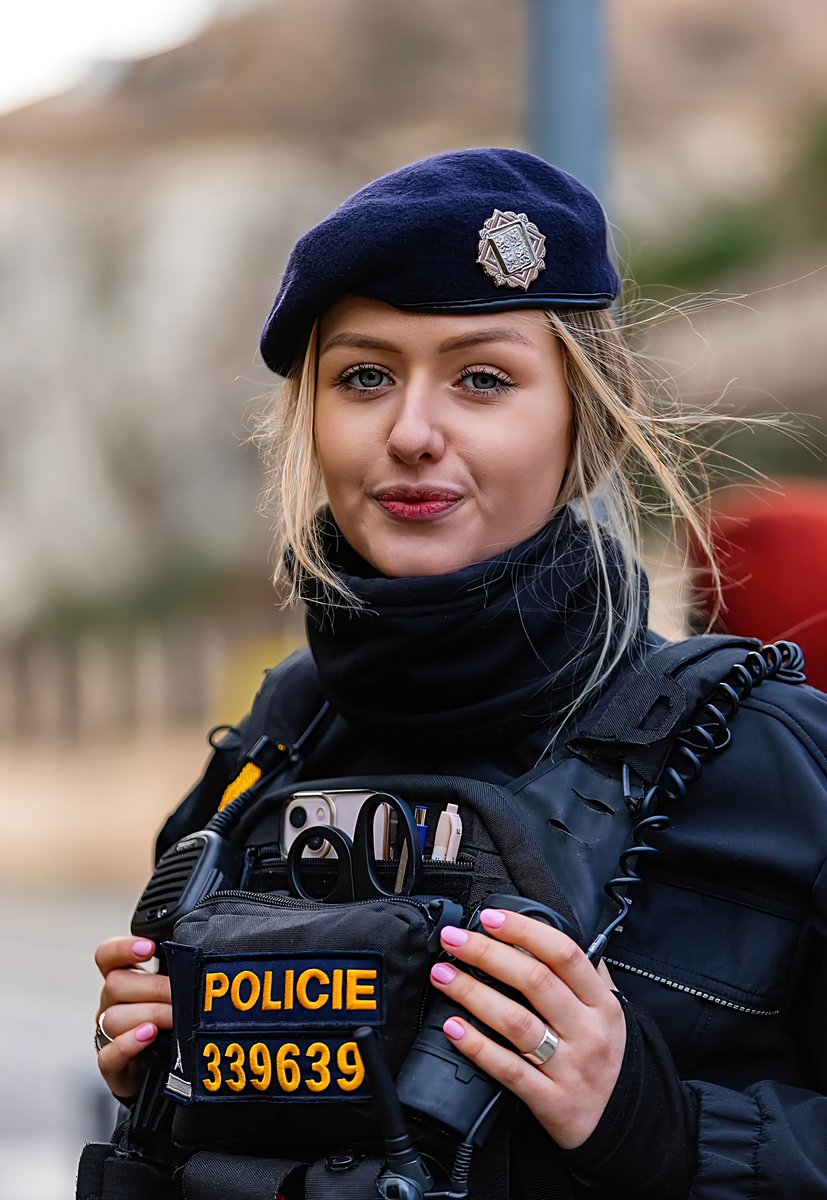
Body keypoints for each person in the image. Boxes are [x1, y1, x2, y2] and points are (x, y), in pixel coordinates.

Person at [89, 148, 827, 1199]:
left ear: (586, 421)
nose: (410, 432)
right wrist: (159, 1084)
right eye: (363, 377)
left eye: (482, 378)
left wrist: (655, 1125)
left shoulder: (766, 755)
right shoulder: (267, 753)